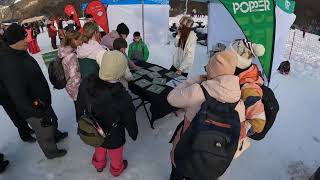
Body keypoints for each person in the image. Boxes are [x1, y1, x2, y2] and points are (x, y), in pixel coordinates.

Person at [167, 51, 246, 180]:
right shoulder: (239, 103)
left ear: (212, 70)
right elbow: (240, 136)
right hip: (212, 159)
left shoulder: (199, 91)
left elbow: (171, 98)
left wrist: (194, 80)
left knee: (178, 171)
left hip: (186, 148)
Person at [0, 24, 67, 159]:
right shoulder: (9, 63)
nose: (27, 41)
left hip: (41, 101)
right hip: (34, 108)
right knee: (44, 133)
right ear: (13, 42)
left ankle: (55, 134)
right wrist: (36, 113)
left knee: (51, 121)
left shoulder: (18, 51)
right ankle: (51, 152)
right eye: (23, 39)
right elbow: (18, 95)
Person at [77, 50, 138, 176]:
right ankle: (116, 169)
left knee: (98, 145)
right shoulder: (122, 96)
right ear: (120, 71)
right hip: (114, 133)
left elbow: (80, 102)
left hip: (95, 128)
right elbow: (129, 117)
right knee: (115, 152)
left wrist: (79, 117)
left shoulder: (87, 82)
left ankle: (99, 164)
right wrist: (133, 132)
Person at [228, 39, 266, 136]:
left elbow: (258, 123)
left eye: (228, 60)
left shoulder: (249, 89)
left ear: (236, 64)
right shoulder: (239, 74)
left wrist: (230, 131)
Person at [58, 31, 82, 121]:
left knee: (78, 109)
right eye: (79, 40)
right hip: (76, 88)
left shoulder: (65, 50)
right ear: (73, 40)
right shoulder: (71, 56)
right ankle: (84, 127)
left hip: (70, 85)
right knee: (81, 111)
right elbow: (74, 77)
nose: (81, 42)